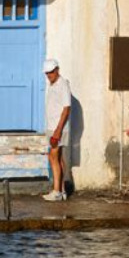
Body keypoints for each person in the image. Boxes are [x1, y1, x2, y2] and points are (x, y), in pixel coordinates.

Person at [42, 59, 71, 202]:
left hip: (58, 128)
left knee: (52, 157)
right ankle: (62, 190)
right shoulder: (52, 84)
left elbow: (67, 108)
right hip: (52, 127)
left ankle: (57, 191)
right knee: (58, 158)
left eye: (51, 72)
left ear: (57, 70)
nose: (49, 75)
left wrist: (58, 130)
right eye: (47, 73)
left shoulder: (62, 84)